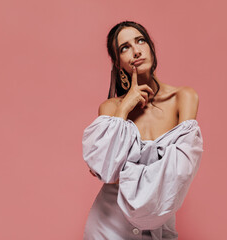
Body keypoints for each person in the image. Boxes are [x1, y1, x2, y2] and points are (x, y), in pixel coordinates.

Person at [82, 20, 204, 240]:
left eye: (140, 41)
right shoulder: (110, 108)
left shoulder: (183, 98)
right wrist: (125, 108)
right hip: (108, 224)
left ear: (151, 48)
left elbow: (180, 173)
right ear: (119, 64)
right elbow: (105, 169)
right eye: (124, 48)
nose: (136, 51)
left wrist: (123, 173)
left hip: (158, 225)